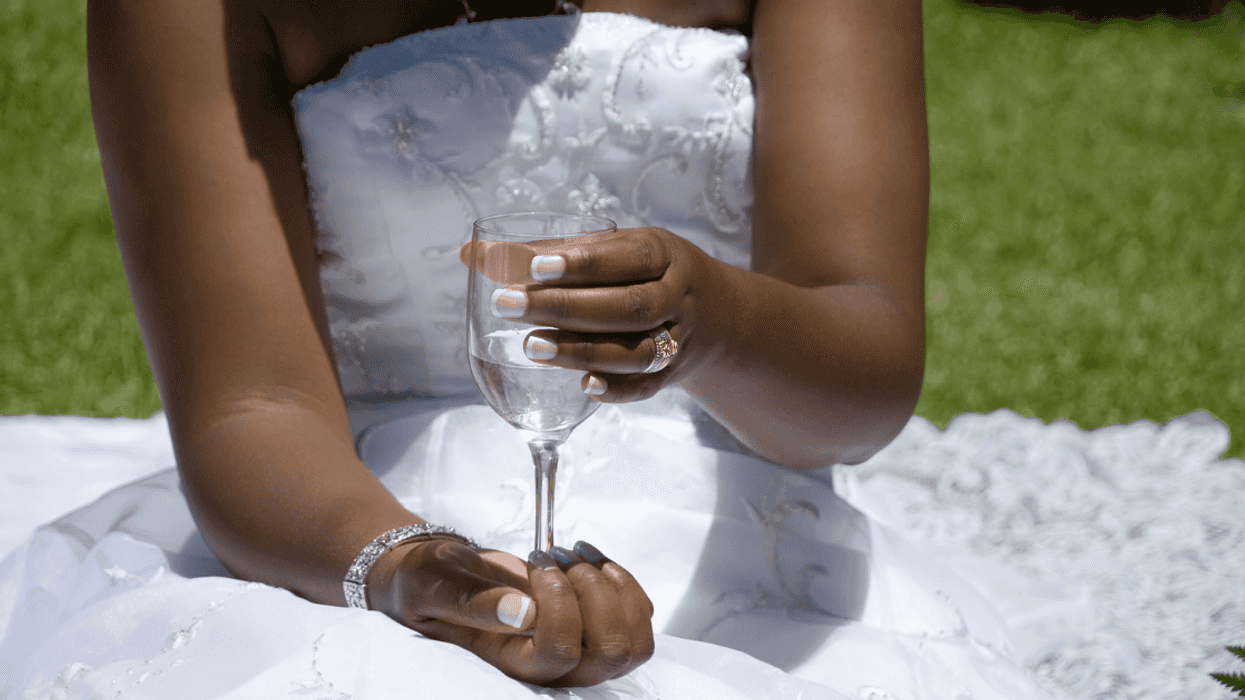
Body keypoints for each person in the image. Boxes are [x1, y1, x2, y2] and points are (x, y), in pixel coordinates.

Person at [2, 0, 1234, 698]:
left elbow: (860, 380)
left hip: (737, 533)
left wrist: (718, 323)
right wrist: (407, 573)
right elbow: (252, 409)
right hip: (337, 512)